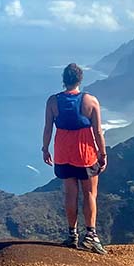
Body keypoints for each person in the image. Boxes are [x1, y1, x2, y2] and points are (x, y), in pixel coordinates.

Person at [41, 63, 107, 254]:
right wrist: (103, 154)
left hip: (63, 152)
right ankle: (91, 235)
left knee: (70, 193)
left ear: (64, 79)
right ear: (80, 79)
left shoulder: (52, 102)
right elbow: (98, 132)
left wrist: (45, 149)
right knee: (89, 193)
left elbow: (47, 129)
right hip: (85, 153)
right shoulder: (91, 101)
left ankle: (72, 235)